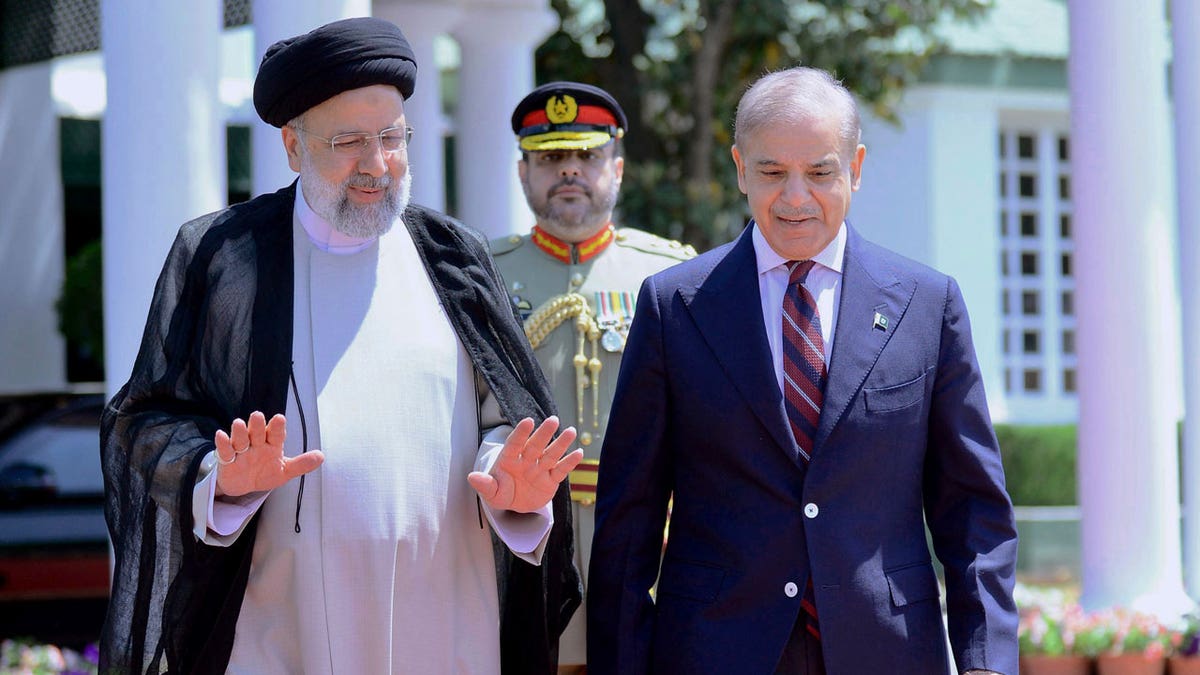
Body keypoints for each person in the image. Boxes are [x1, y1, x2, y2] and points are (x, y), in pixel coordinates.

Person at [99, 17, 583, 675]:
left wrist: (509, 476)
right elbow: (144, 421)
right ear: (292, 146)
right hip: (283, 630)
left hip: (445, 624)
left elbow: (503, 418)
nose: (376, 165)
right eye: (349, 141)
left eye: (392, 137)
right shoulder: (226, 257)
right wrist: (217, 477)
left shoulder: (454, 254)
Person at [587, 66, 1018, 674]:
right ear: (739, 168)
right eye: (771, 172)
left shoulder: (927, 304)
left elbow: (974, 511)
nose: (795, 197)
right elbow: (629, 521)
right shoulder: (675, 306)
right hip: (715, 650)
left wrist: (986, 661)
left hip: (887, 651)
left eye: (819, 172)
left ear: (857, 168)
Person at [491, 80, 696, 669]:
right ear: (524, 173)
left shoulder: (671, 275)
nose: (570, 172)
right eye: (552, 158)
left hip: (643, 547)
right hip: (521, 542)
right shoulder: (483, 274)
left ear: (619, 168)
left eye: (587, 155)